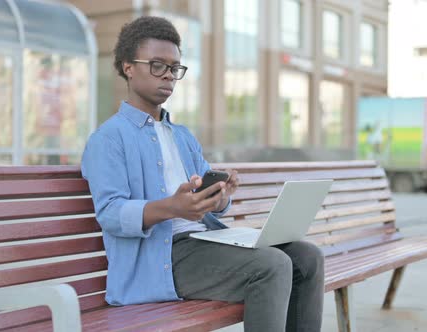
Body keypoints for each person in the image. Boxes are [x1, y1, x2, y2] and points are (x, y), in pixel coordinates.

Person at [81, 16, 324, 332]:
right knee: (272, 265)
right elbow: (111, 213)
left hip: (203, 241)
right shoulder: (108, 138)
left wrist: (220, 197)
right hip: (161, 258)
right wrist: (172, 207)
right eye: (157, 65)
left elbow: (205, 202)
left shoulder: (182, 135)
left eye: (174, 68)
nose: (168, 75)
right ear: (129, 67)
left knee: (307, 256)